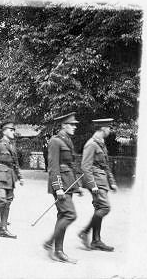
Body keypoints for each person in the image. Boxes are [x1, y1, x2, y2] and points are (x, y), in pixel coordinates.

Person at [43, 112, 83, 264]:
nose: (74, 127)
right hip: (60, 184)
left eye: (75, 125)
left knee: (62, 215)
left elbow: (71, 165)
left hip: (68, 182)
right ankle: (49, 243)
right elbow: (53, 166)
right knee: (70, 214)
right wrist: (58, 187)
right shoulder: (55, 141)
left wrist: (77, 186)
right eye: (72, 125)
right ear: (64, 125)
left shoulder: (67, 141)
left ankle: (58, 250)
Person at [78, 118, 118, 251]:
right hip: (96, 181)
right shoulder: (91, 144)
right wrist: (92, 184)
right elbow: (85, 166)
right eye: (109, 128)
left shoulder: (101, 144)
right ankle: (85, 232)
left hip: (102, 181)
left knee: (99, 209)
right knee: (105, 208)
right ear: (103, 129)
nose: (110, 130)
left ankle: (96, 240)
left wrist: (112, 182)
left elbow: (105, 165)